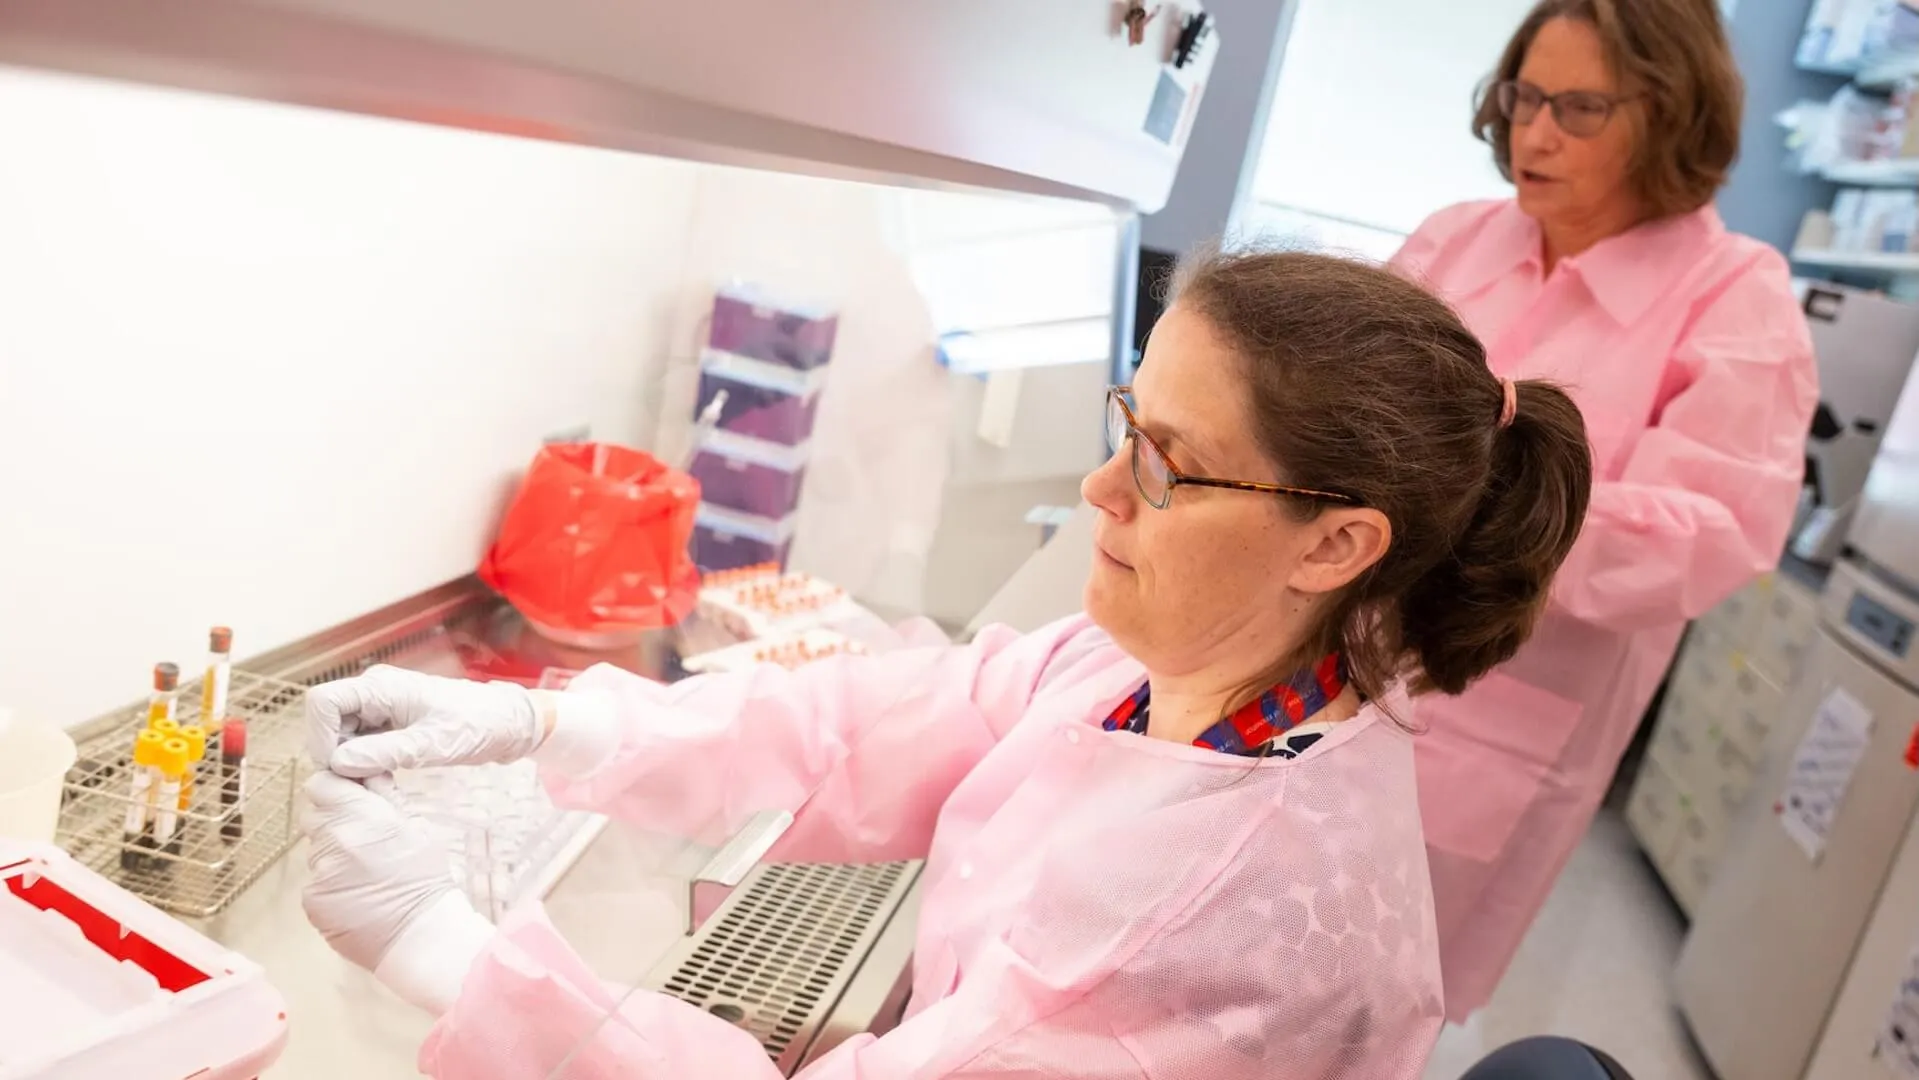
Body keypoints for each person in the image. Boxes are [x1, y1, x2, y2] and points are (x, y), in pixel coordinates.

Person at [298, 251, 1593, 1078]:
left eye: (1160, 462)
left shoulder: (1197, 931)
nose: (1099, 488)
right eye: (1123, 425)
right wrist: (552, 728)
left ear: (1334, 545)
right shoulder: (1188, 675)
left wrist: (450, 956)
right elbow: (878, 717)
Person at [1388, 0, 1819, 1021]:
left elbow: (1709, 534)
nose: (1534, 133)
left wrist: (1471, 486)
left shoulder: (1735, 298)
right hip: (1329, 658)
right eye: (1524, 96)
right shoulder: (1456, 240)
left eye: (1577, 108)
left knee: (1380, 994)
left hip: (1497, 713)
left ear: (1668, 112)